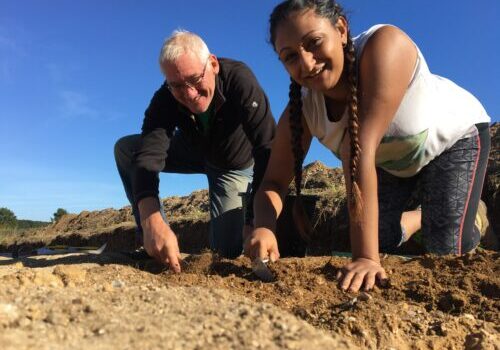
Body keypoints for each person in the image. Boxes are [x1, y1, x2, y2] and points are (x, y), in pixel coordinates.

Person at [245, 0, 491, 292]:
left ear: (341, 29)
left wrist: (365, 257)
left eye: (314, 42)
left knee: (444, 250)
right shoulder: (301, 111)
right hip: (390, 161)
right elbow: (273, 181)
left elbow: (358, 148)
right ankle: (422, 216)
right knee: (381, 239)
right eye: (290, 57)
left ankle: (473, 215)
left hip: (453, 140)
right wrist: (264, 226)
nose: (307, 63)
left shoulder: (386, 45)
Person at [115, 30, 276, 272]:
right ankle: (152, 241)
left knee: (225, 255)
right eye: (177, 86)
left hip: (231, 165)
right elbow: (148, 155)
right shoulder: (165, 97)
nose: (189, 94)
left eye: (195, 79)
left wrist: (254, 219)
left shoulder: (239, 80)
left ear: (213, 64)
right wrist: (151, 220)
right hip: (194, 149)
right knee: (127, 149)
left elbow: (267, 148)